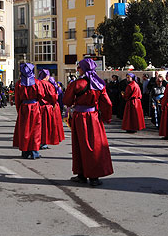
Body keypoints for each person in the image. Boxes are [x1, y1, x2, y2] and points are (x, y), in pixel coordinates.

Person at [62, 58, 113, 187]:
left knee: (80, 145)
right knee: (94, 146)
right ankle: (94, 176)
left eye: (79, 67)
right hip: (94, 117)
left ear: (83, 69)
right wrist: (107, 117)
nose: (78, 70)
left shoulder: (77, 84)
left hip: (80, 117)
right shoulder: (100, 84)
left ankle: (82, 175)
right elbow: (107, 103)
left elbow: (67, 101)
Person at [13, 63, 44, 159]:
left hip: (24, 107)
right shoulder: (37, 83)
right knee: (35, 129)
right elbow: (41, 95)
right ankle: (34, 152)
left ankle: (25, 151)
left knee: (24, 130)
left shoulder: (19, 84)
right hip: (34, 107)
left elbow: (17, 99)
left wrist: (19, 109)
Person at [37, 70, 64, 149]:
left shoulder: (36, 83)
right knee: (46, 126)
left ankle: (38, 142)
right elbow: (53, 97)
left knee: (39, 126)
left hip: (38, 107)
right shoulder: (48, 84)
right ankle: (44, 142)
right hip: (47, 107)